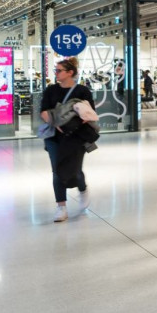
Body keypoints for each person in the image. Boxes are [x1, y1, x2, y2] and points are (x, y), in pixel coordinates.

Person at [40, 57, 95, 223]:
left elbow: (89, 113)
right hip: (54, 137)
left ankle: (83, 189)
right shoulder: (50, 90)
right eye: (55, 70)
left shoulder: (82, 91)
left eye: (58, 70)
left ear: (70, 72)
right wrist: (55, 122)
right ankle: (61, 207)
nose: (55, 73)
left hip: (76, 136)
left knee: (75, 170)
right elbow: (43, 112)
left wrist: (71, 123)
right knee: (57, 170)